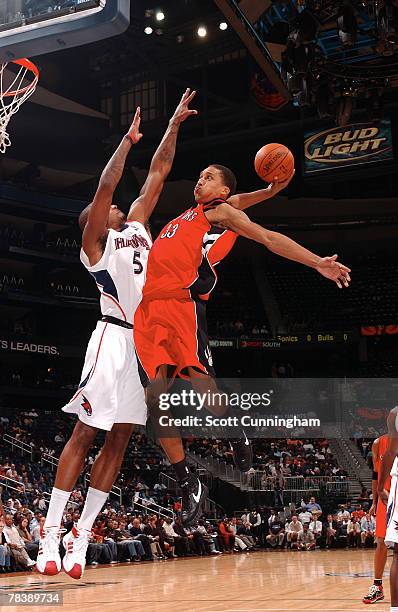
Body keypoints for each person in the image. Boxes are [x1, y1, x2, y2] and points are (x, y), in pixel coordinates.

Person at [134, 148, 351, 525]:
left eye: (207, 176)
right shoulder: (195, 212)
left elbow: (267, 237)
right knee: (153, 403)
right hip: (148, 312)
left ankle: (236, 429)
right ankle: (189, 482)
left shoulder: (219, 213)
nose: (199, 180)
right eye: (200, 176)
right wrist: (269, 190)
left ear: (221, 188)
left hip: (179, 308)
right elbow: (242, 197)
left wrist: (318, 262)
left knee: (205, 394)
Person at [37, 89, 197, 579]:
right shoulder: (95, 248)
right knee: (87, 431)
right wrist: (126, 142)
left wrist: (171, 126)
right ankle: (49, 533)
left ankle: (81, 535)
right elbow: (107, 184)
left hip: (145, 343)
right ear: (95, 223)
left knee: (121, 438)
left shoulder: (137, 226)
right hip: (111, 339)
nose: (112, 207)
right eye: (104, 208)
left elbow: (158, 175)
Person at [362, 434, 389, 604]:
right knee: (381, 541)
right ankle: (377, 587)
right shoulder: (379, 443)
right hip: (385, 499)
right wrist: (374, 502)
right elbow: (375, 474)